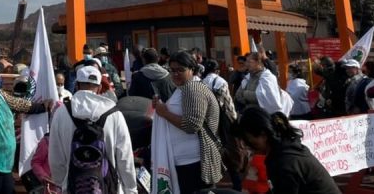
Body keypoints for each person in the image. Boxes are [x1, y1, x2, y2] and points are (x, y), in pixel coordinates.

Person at [49, 66, 137, 194]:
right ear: (100, 87)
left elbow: (55, 158)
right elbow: (125, 157)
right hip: (108, 187)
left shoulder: (61, 113)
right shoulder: (114, 114)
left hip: (73, 188)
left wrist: (61, 184)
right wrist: (131, 189)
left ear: (77, 85)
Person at [0, 64, 51, 194]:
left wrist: (42, 107)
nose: (1, 79)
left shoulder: (1, 95)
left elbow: (22, 105)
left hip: (6, 162)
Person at [152, 51, 222, 194]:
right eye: (172, 70)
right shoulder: (185, 88)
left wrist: (164, 112)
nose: (175, 74)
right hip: (188, 159)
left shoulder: (192, 89)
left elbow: (191, 125)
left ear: (192, 69)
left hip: (193, 161)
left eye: (180, 70)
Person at [234, 107, 341, 194]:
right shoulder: (285, 149)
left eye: (248, 141)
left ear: (263, 135)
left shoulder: (285, 162)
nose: (247, 146)